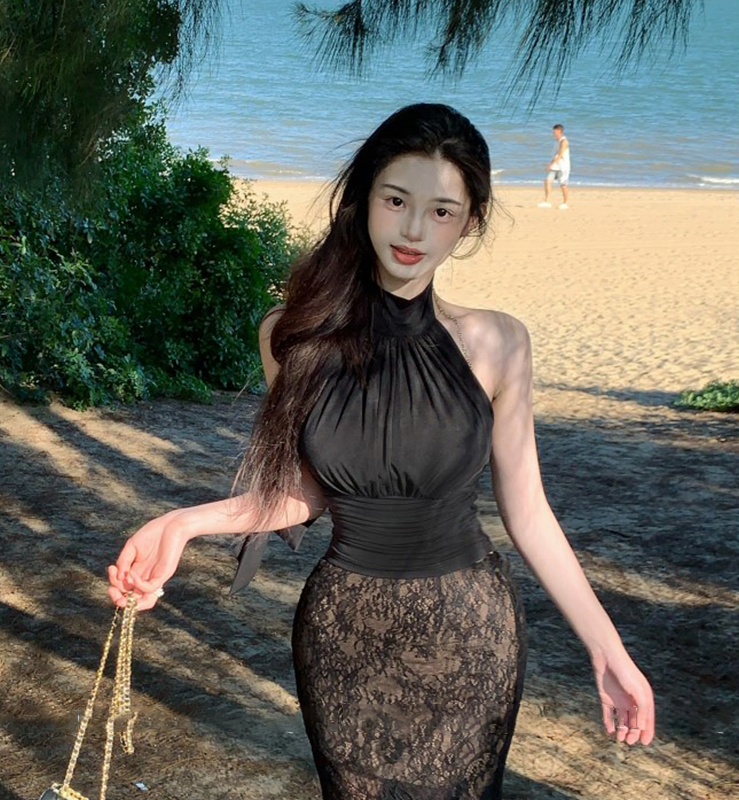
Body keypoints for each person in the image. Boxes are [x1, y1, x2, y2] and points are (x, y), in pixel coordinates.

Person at [107, 103, 655, 799]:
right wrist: (182, 523)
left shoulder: (498, 343)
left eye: (442, 211)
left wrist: (608, 650)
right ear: (366, 198)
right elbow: (306, 492)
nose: (414, 229)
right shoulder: (291, 336)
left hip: (470, 635)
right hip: (343, 633)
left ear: (471, 222)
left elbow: (529, 514)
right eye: (396, 201)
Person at [539, 123, 571, 209]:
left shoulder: (564, 141)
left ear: (559, 131)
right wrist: (552, 164)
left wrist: (551, 164)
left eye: (554, 131)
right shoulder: (557, 141)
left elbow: (559, 154)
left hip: (563, 167)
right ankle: (547, 201)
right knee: (547, 181)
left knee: (563, 185)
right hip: (555, 166)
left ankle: (565, 203)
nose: (553, 133)